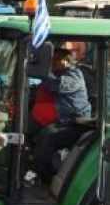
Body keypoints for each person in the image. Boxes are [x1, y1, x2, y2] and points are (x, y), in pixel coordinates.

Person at [30, 48, 92, 183]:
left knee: (49, 133)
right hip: (66, 120)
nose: (51, 63)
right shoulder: (62, 73)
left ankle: (37, 174)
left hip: (77, 123)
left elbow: (58, 85)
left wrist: (40, 78)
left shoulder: (74, 76)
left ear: (65, 61)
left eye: (54, 60)